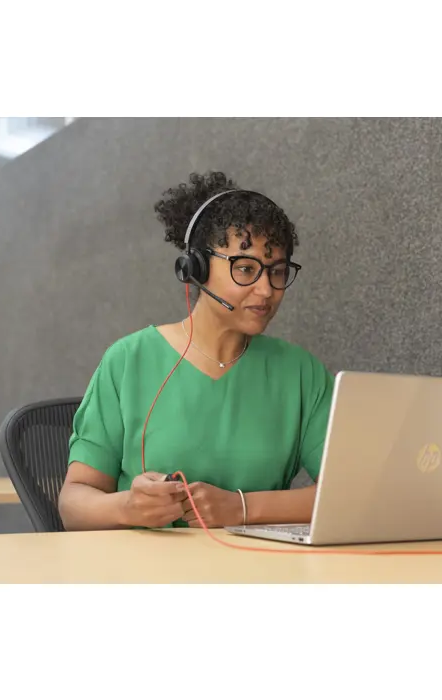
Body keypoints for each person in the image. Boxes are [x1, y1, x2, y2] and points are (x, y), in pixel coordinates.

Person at [58, 171, 334, 531]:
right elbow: (73, 505)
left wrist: (241, 507)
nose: (266, 290)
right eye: (246, 269)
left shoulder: (301, 373)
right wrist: (127, 507)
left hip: (255, 565)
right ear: (196, 269)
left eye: (277, 272)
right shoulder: (128, 361)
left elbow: (346, 494)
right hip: (145, 565)